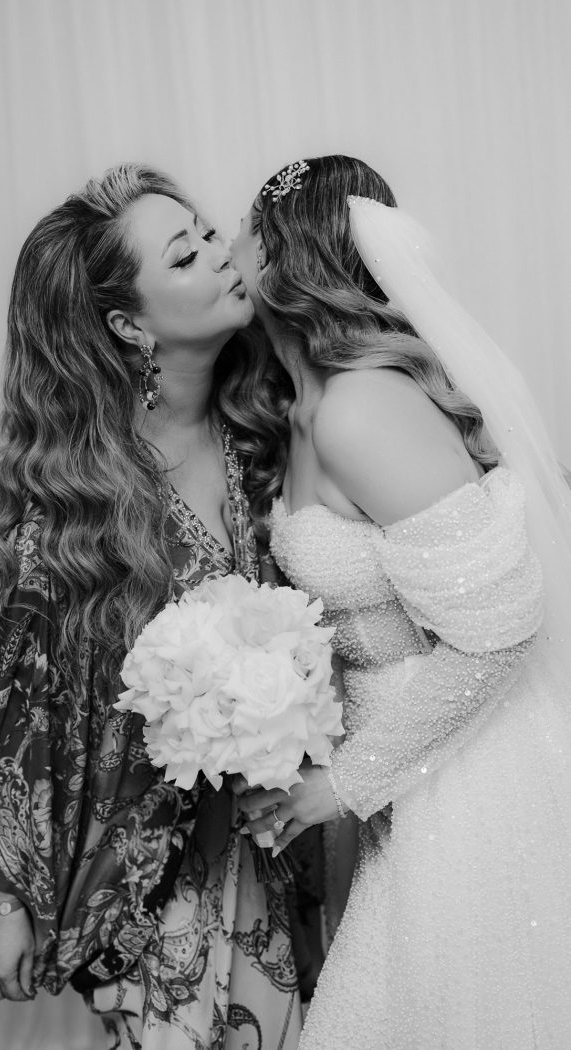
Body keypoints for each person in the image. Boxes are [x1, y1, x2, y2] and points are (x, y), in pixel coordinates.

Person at [229, 154, 571, 1048]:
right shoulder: (299, 408)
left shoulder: (361, 409)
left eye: (242, 231)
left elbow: (499, 633)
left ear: (282, 254)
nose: (227, 248)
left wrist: (344, 783)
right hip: (403, 772)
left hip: (472, 783)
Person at [0, 163, 302, 1050]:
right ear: (129, 325)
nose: (220, 255)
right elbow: (12, 702)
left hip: (298, 839)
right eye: (184, 256)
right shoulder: (78, 503)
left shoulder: (269, 425)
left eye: (207, 233)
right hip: (153, 882)